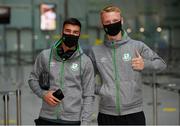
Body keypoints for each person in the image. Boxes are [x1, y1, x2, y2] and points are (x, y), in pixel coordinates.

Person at [88, 5, 167, 125]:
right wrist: (101, 90)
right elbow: (86, 80)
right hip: (107, 115)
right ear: (102, 24)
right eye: (107, 22)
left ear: (122, 21)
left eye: (115, 21)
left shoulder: (137, 46)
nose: (112, 24)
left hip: (134, 113)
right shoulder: (95, 51)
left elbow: (161, 64)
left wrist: (144, 64)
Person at [28, 18, 95, 125]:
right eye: (68, 31)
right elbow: (32, 79)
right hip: (46, 118)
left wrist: (86, 123)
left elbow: (89, 95)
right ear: (62, 32)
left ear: (79, 35)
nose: (71, 34)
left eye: (75, 32)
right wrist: (43, 94)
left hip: (72, 121)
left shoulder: (85, 61)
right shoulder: (45, 56)